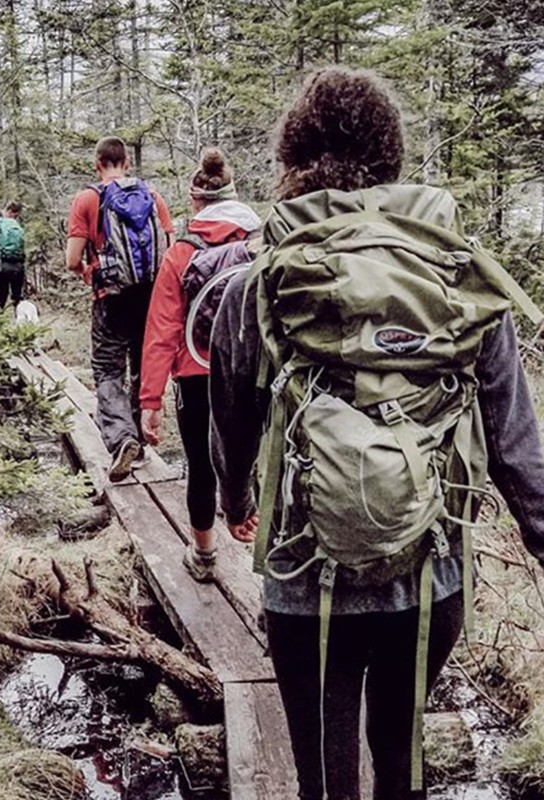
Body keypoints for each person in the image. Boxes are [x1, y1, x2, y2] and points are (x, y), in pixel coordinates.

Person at [209, 67, 544, 800]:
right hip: (431, 570)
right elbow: (515, 437)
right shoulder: (455, 276)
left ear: (292, 155)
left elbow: (232, 418)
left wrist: (235, 502)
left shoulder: (258, 280)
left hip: (305, 574)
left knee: (326, 778)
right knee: (402, 752)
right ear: (391, 156)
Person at [139, 147, 260, 582]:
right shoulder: (261, 242)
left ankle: (204, 557)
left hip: (197, 374)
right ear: (235, 194)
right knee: (256, 462)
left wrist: (149, 401)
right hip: (253, 375)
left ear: (195, 202)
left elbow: (161, 330)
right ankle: (262, 557)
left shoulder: (182, 253)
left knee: (201, 466)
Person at [66, 136, 175, 482]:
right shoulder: (153, 197)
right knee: (142, 366)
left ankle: (122, 438)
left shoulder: (88, 199)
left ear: (97, 164)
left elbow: (71, 260)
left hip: (110, 298)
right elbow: (169, 250)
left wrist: (87, 272)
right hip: (149, 296)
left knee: (108, 369)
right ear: (127, 163)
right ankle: (140, 439)